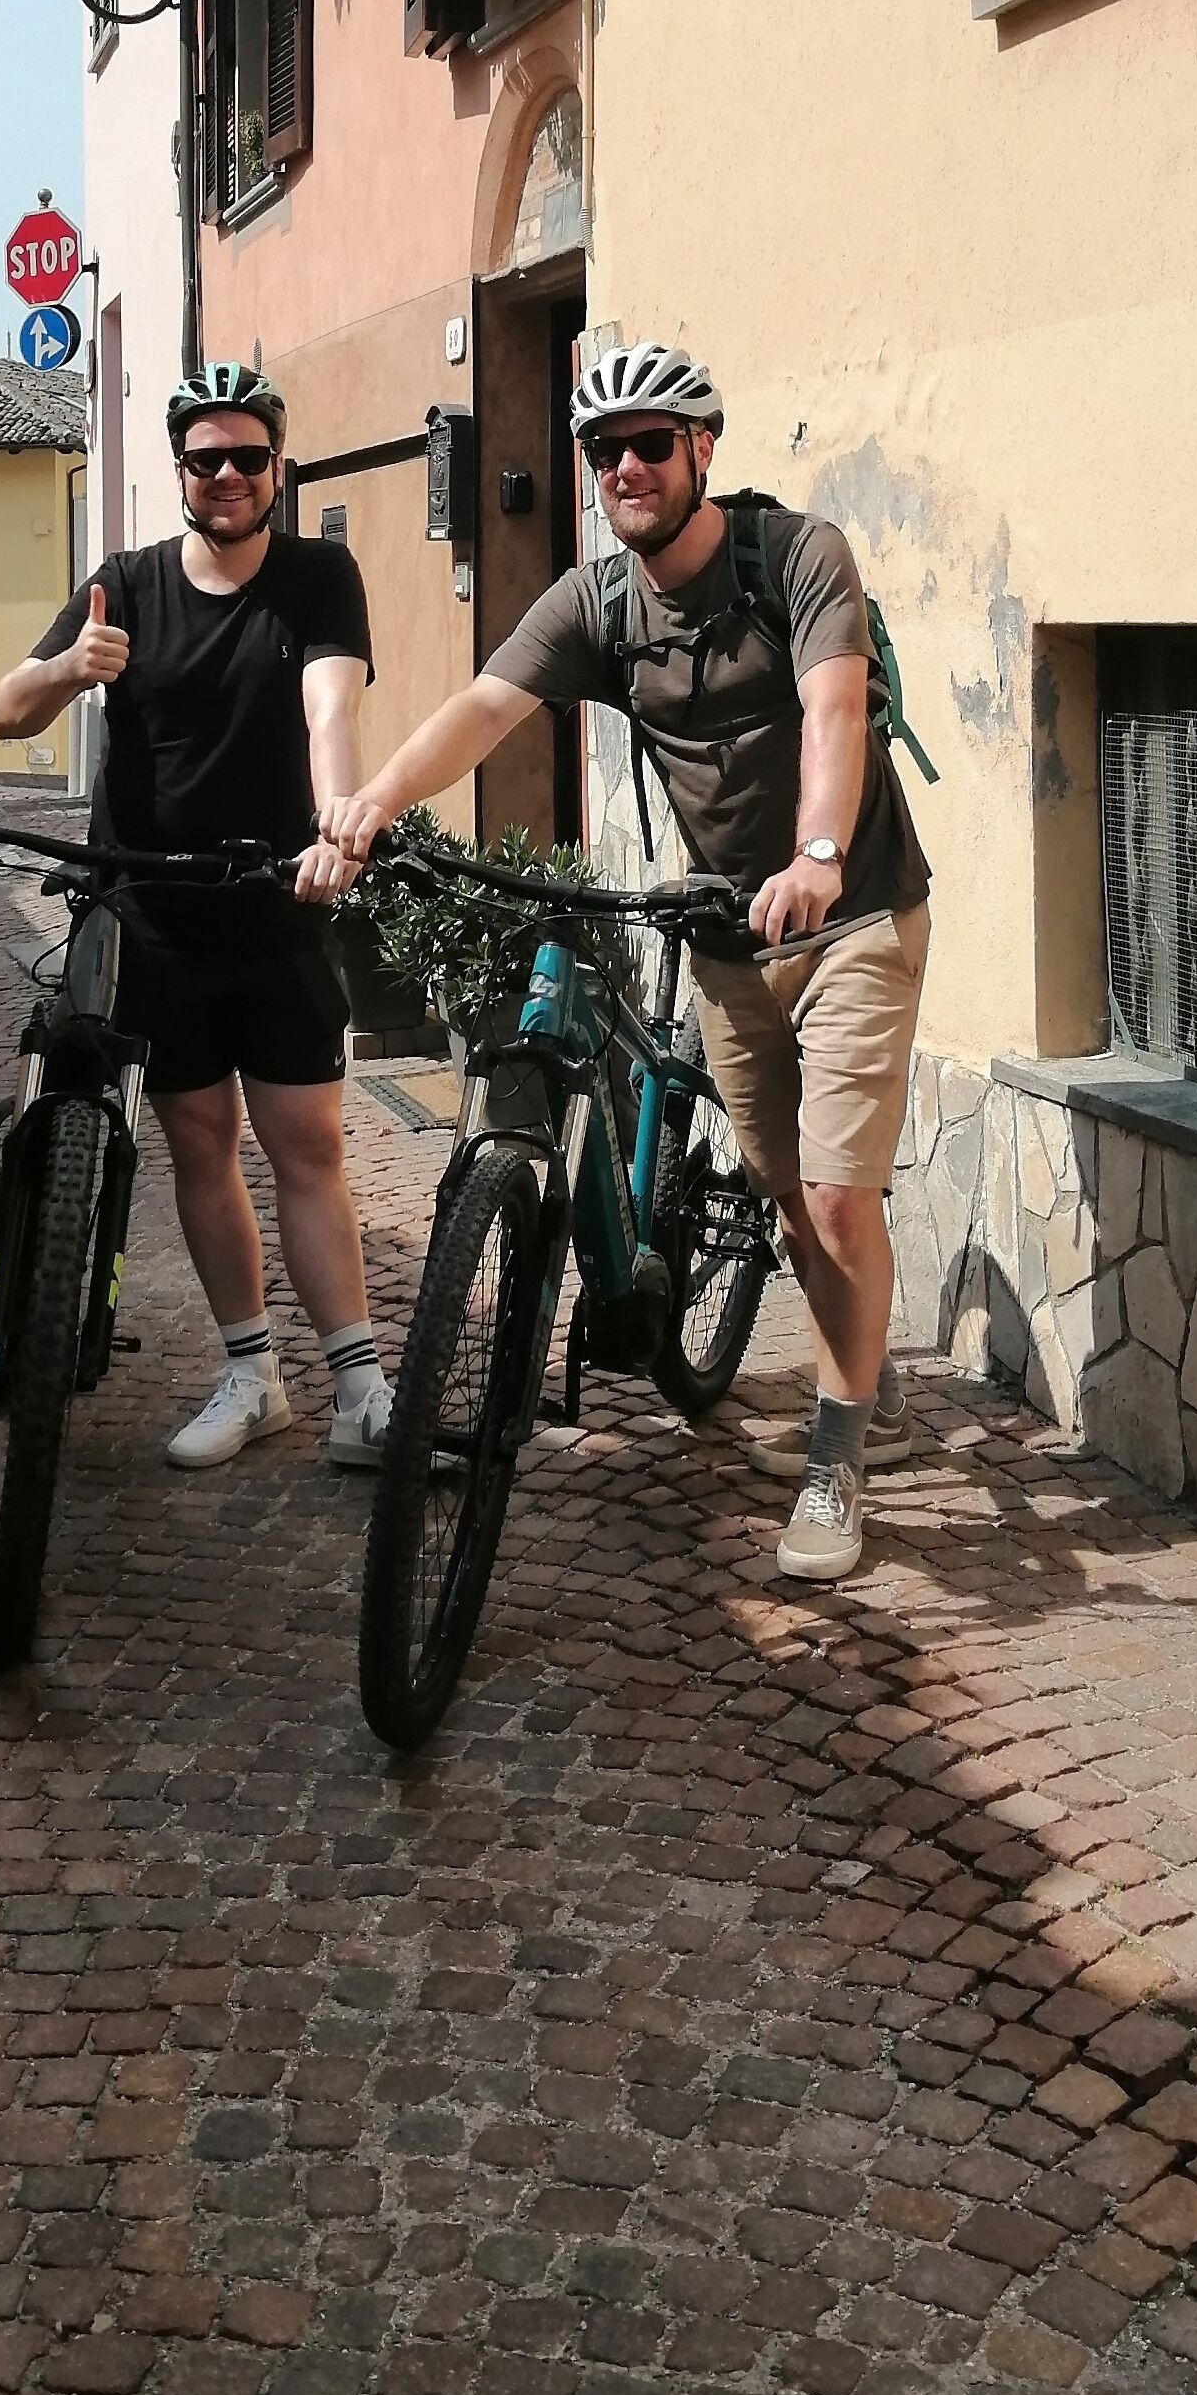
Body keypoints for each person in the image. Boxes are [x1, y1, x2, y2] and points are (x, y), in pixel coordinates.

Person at [314, 343, 928, 1584]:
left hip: (853, 914)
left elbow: (837, 711)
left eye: (653, 442)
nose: (627, 467)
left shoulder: (799, 558)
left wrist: (815, 851)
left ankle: (836, 1459)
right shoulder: (599, 603)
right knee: (779, 1189)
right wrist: (374, 799)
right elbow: (485, 709)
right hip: (722, 937)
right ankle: (865, 1376)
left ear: (703, 449)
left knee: (834, 1199)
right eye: (606, 452)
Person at [0, 362, 393, 1471]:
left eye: (246, 458)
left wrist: (338, 823)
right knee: (200, 1142)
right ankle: (251, 1374)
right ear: (179, 473)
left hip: (275, 900)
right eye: (205, 459)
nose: (225, 476)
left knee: (307, 1143)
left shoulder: (318, 576)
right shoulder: (124, 582)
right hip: (154, 913)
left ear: (277, 470)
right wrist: (72, 666)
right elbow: (3, 711)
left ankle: (361, 1390)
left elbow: (329, 708)